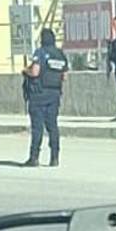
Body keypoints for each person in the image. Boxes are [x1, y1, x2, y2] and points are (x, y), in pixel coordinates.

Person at [21, 28, 68, 167]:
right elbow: (64, 77)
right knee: (52, 126)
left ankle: (34, 157)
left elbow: (35, 72)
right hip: (54, 95)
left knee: (37, 127)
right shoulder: (60, 54)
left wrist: (25, 71)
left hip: (38, 95)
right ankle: (54, 158)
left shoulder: (40, 52)